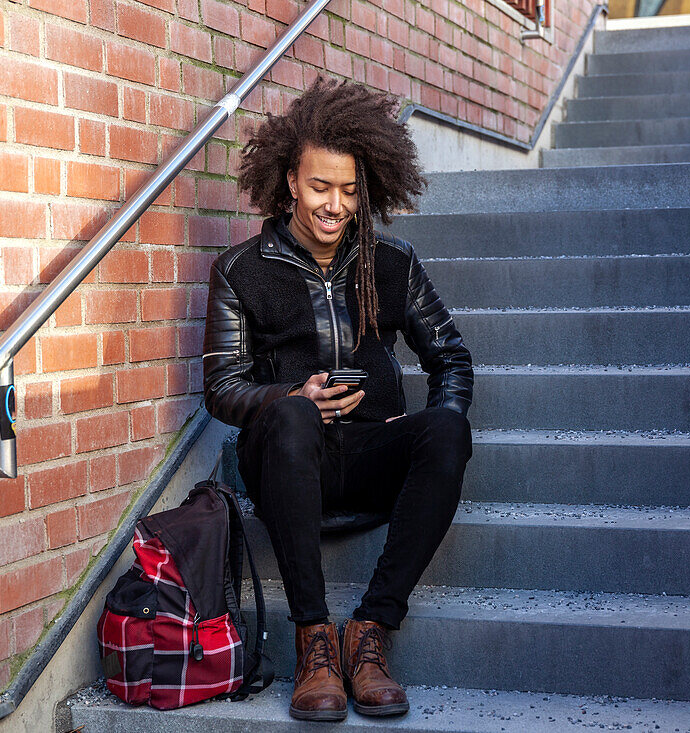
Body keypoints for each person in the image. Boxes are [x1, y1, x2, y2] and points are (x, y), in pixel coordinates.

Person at [201, 77, 474, 722]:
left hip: (372, 453)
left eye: (349, 191)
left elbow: (452, 359)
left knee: (446, 431)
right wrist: (290, 397)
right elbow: (220, 387)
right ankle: (314, 642)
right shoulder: (242, 271)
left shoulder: (393, 261)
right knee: (292, 415)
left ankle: (370, 632)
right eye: (320, 187)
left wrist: (433, 421)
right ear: (290, 181)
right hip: (291, 464)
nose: (334, 204)